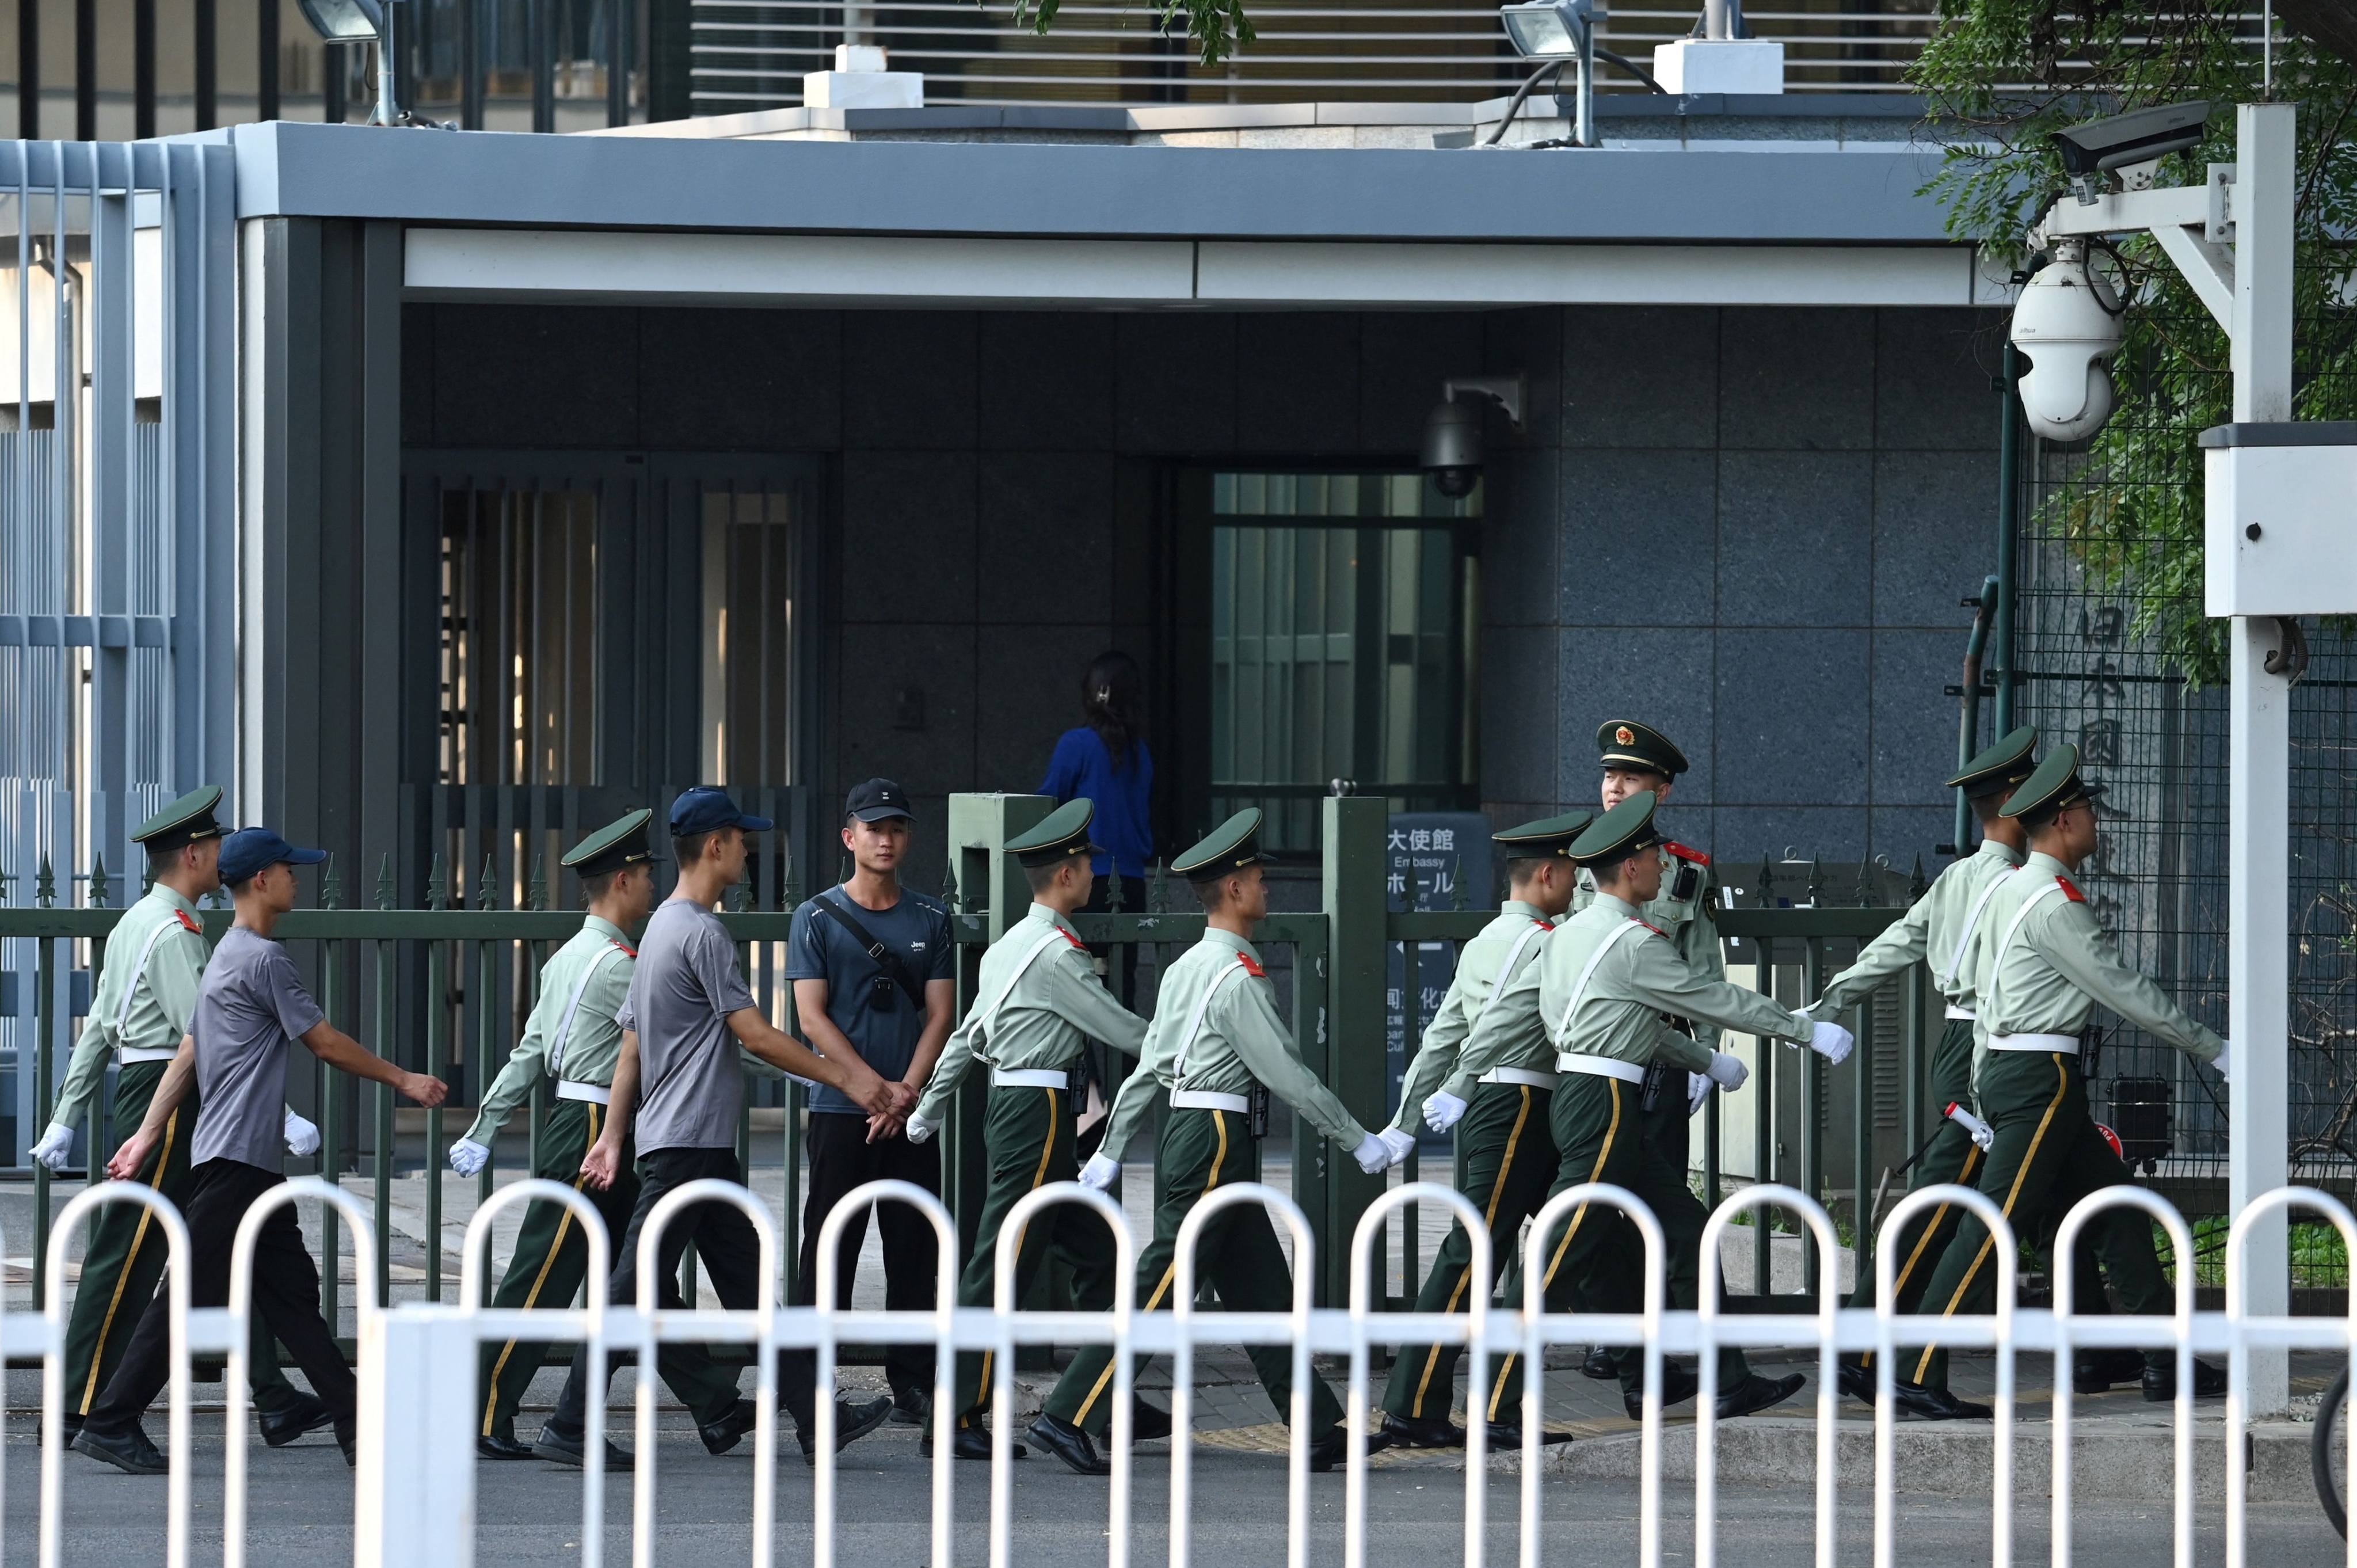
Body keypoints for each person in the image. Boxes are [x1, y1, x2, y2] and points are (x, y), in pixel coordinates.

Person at [535, 786, 907, 1468]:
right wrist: (850, 1078)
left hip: (689, 1144)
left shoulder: (659, 932)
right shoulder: (702, 933)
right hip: (686, 1149)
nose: (748, 849)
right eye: (741, 839)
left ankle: (816, 1417)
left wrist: (616, 1136)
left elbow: (632, 1049)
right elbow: (757, 1036)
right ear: (716, 846)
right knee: (630, 1286)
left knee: (749, 1287)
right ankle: (568, 1424)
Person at [1029, 808, 1403, 1476]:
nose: (1268, 889)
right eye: (1259, 879)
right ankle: (1067, 1413)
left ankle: (1317, 1427)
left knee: (1261, 1285)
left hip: (1199, 1134)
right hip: (1214, 1139)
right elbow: (1285, 1070)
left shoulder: (1187, 968)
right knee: (1162, 1281)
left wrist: (1115, 1146)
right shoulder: (1235, 980)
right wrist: (1355, 1139)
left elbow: (1151, 1064)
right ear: (1233, 890)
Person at [72, 828, 449, 1474]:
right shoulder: (263, 960)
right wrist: (404, 1079)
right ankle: (110, 1419)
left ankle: (358, 1425)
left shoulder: (226, 954)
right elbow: (324, 1043)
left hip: (244, 1160)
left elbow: (188, 1054)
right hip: (237, 1161)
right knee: (185, 1293)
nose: (297, 880)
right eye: (289, 869)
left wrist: (144, 1135)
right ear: (261, 882)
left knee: (292, 1296)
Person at [1479, 792, 1842, 1426]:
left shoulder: (1570, 936)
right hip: (1606, 1107)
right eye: (1652, 856)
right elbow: (1712, 998)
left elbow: (1633, 1025)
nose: (1660, 865)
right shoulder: (1632, 944)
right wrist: (1801, 1029)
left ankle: (1727, 1380)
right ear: (1631, 869)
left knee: (1691, 1231)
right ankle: (1496, 1404)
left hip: (1592, 1097)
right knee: (1560, 1255)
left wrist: (1708, 1063)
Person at [1898, 745, 2229, 1418]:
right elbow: (2124, 989)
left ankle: (2165, 1359)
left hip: (2024, 1075)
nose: (2097, 826)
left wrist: (1985, 1079)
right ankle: (1914, 1372)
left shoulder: (2013, 890)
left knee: (2119, 1214)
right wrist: (2215, 1048)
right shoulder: (2053, 905)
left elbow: (1982, 996)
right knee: (1993, 1225)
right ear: (2066, 822)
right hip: (2038, 1080)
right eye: (2089, 812)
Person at [34, 788, 328, 1447]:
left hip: (163, 1088)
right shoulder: (174, 934)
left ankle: (273, 1393)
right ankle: (82, 1405)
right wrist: (281, 1116)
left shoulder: (141, 920)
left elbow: (99, 1030)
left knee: (225, 1246)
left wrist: (67, 1113)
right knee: (134, 1252)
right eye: (217, 845)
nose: (224, 856)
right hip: (171, 1096)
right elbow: (211, 1037)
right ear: (195, 854)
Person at [452, 810, 742, 1459]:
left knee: (637, 1280)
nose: (649, 888)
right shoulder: (621, 966)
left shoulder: (567, 959)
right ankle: (478, 1413)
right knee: (543, 1277)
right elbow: (700, 1039)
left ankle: (717, 1406)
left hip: (580, 1123)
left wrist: (486, 1125)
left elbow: (528, 1051)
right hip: (599, 1128)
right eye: (643, 876)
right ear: (623, 882)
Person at [902, 798, 1163, 1458]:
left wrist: (930, 1109)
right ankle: (957, 1417)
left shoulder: (1009, 946)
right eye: (1089, 869)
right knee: (1001, 1262)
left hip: (1020, 1111)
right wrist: (1187, 1041)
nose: (1095, 881)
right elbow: (1122, 1030)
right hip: (1039, 1115)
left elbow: (967, 1036)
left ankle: (1101, 1395)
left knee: (1096, 1252)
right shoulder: (1056, 958)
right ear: (1070, 876)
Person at [1797, 728, 2044, 1405]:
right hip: (1988, 1050)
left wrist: (1824, 1006)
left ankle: (2131, 1346)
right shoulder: (2020, 886)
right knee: (1943, 1210)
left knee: (1966, 1202)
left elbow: (1892, 948)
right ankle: (1867, 1349)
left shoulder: (1957, 878)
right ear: (2018, 799)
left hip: (1960, 1047)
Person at [1378, 810, 1586, 1451]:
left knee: (1508, 1248)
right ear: (1548, 874)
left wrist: (1405, 1119)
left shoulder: (1483, 942)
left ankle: (1434, 1403)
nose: (1579, 882)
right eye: (1573, 872)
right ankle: (1429, 1405)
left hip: (1494, 1104)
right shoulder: (1549, 943)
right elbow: (1489, 1034)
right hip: (1518, 1101)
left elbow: (1441, 1037)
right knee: (1476, 1253)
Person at [786, 777, 957, 1424]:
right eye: (874, 827)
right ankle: (810, 1382)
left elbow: (941, 1013)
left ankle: (913, 1381)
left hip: (909, 1110)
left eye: (897, 828)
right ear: (849, 836)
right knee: (830, 1244)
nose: (886, 839)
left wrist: (906, 1091)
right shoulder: (817, 917)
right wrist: (867, 1087)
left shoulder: (932, 918)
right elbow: (812, 1017)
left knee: (914, 1247)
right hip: (841, 1110)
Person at [1566, 720, 1727, 1379]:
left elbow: (1704, 970)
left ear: (1661, 789)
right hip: (1589, 1054)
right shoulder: (1574, 856)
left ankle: (1657, 1335)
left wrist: (1708, 1057)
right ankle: (1613, 1334)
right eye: (1609, 775)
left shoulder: (1682, 874)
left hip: (1659, 1060)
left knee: (1656, 1203)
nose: (1614, 787)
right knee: (1596, 1203)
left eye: (1630, 777)